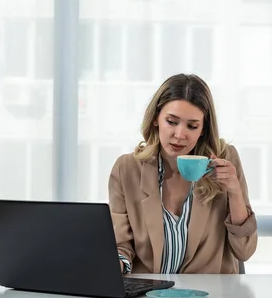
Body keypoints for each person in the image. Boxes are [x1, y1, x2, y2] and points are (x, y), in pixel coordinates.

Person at [108, 74, 258, 274]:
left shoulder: (225, 159)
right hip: (150, 295)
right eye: (171, 122)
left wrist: (235, 192)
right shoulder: (127, 169)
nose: (180, 135)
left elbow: (245, 251)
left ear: (203, 129)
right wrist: (108, 267)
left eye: (192, 126)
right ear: (155, 119)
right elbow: (121, 247)